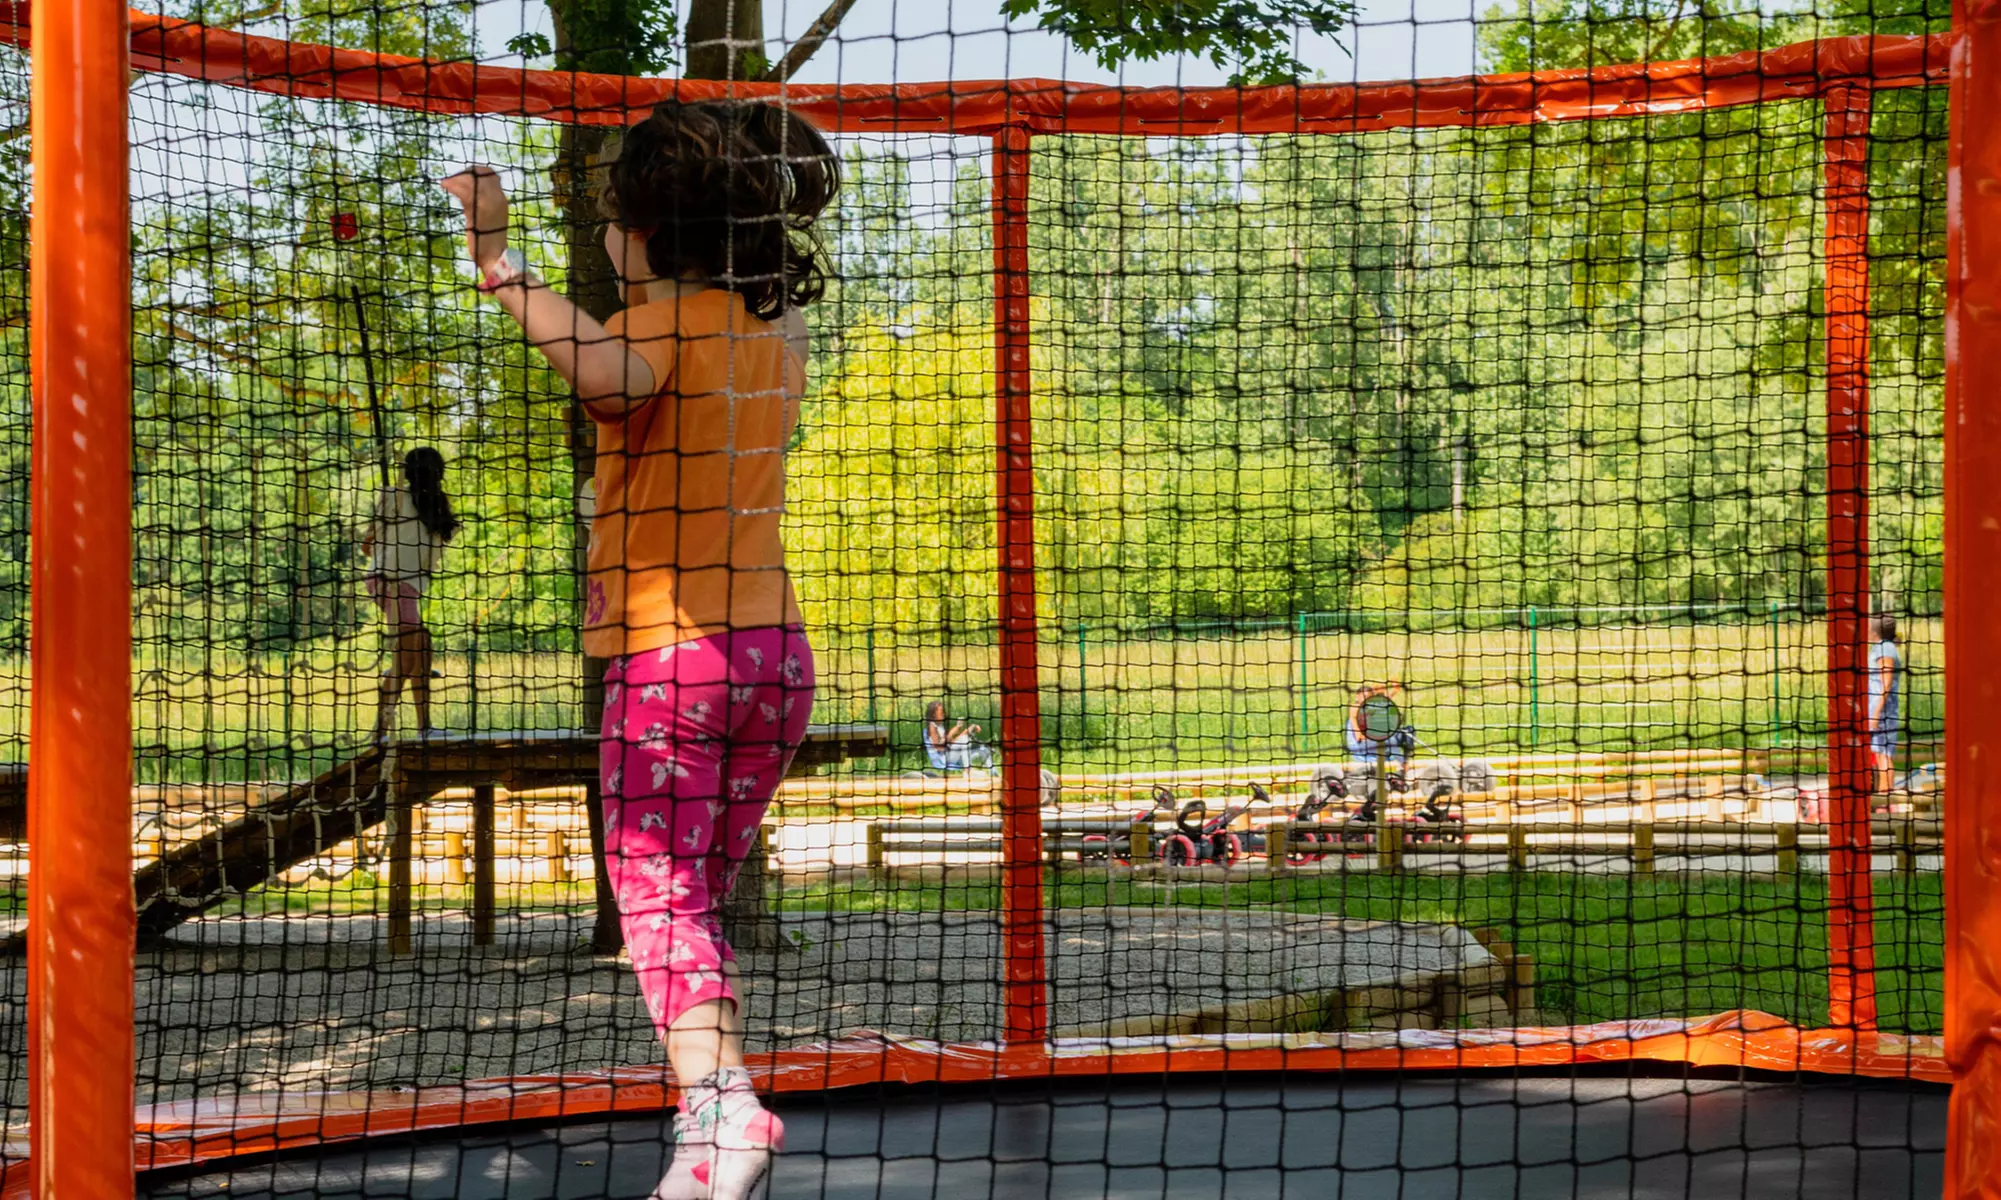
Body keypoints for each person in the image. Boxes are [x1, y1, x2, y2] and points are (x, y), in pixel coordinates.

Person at [441, 99, 837, 1200]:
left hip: (677, 666)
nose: (606, 239)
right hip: (774, 660)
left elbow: (610, 377)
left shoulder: (658, 334)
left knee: (658, 900)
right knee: (687, 904)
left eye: (613, 220)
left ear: (648, 235)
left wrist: (497, 260)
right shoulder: (776, 332)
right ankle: (707, 1107)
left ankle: (723, 1113)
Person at [359, 446, 458, 743]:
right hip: (391, 583)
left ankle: (423, 725)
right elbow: (371, 544)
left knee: (421, 651)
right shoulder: (401, 498)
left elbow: (368, 543)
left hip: (401, 586)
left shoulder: (425, 505)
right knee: (406, 660)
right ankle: (380, 732)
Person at [1869, 615, 1905, 796]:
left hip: (1883, 711)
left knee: (1883, 753)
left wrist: (1876, 712)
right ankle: (1884, 794)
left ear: (1875, 630)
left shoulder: (1885, 648)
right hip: (1882, 709)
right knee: (1881, 753)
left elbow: (1886, 682)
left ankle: (1885, 797)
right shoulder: (1883, 647)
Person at [1345, 679, 1408, 766]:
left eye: (1369, 698)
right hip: (1359, 745)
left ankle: (1401, 764)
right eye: (1364, 697)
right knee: (1390, 740)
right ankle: (1404, 766)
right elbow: (1360, 736)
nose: (1366, 700)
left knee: (1407, 732)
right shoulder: (1355, 709)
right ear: (1357, 697)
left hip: (1369, 741)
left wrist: (1392, 691)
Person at [922, 701, 993, 773]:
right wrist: (949, 738)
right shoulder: (932, 727)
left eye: (944, 712)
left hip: (955, 754)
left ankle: (993, 773)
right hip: (945, 758)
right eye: (941, 713)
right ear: (934, 715)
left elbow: (953, 742)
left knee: (983, 749)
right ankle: (968, 770)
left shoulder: (940, 726)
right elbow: (938, 747)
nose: (944, 714)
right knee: (964, 739)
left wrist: (966, 731)